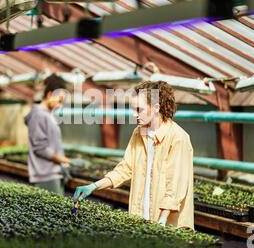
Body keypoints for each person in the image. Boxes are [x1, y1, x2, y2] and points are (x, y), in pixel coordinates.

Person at [73, 81, 195, 229]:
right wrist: (93, 186)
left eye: (139, 109)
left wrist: (162, 222)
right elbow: (125, 168)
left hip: (168, 224)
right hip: (141, 218)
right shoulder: (139, 132)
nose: (134, 114)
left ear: (156, 107)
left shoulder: (178, 138)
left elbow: (175, 187)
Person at [24, 74, 72, 195]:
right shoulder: (38, 115)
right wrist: (66, 160)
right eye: (59, 100)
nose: (60, 105)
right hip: (45, 176)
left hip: (52, 174)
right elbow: (40, 148)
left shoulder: (47, 115)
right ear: (50, 94)